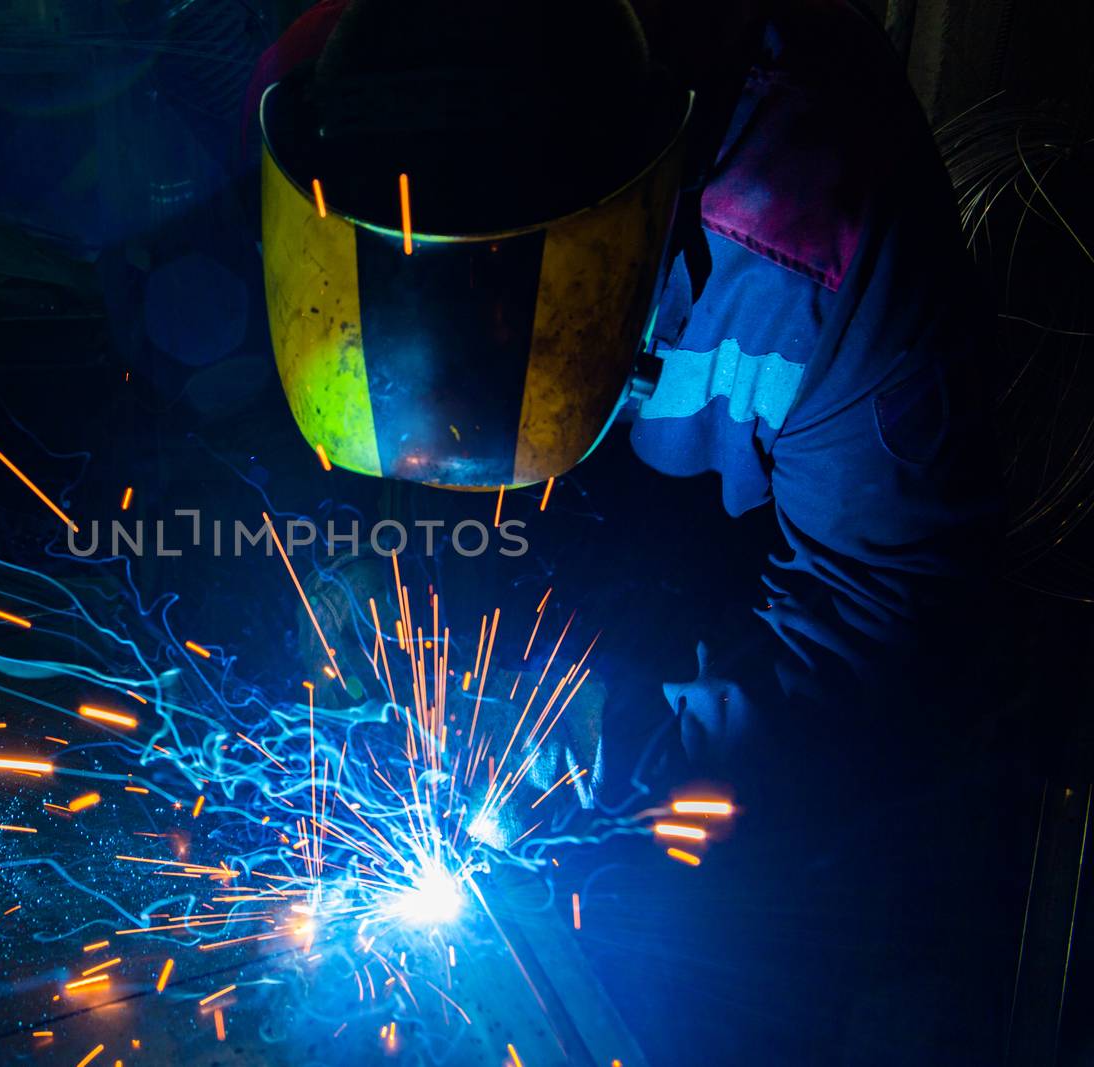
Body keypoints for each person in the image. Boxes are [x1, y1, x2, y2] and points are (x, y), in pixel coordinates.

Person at [245, 0, 998, 806]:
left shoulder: (824, 242)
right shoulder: (320, 112)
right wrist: (360, 548)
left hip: (727, 564)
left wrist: (624, 735)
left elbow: (878, 610)